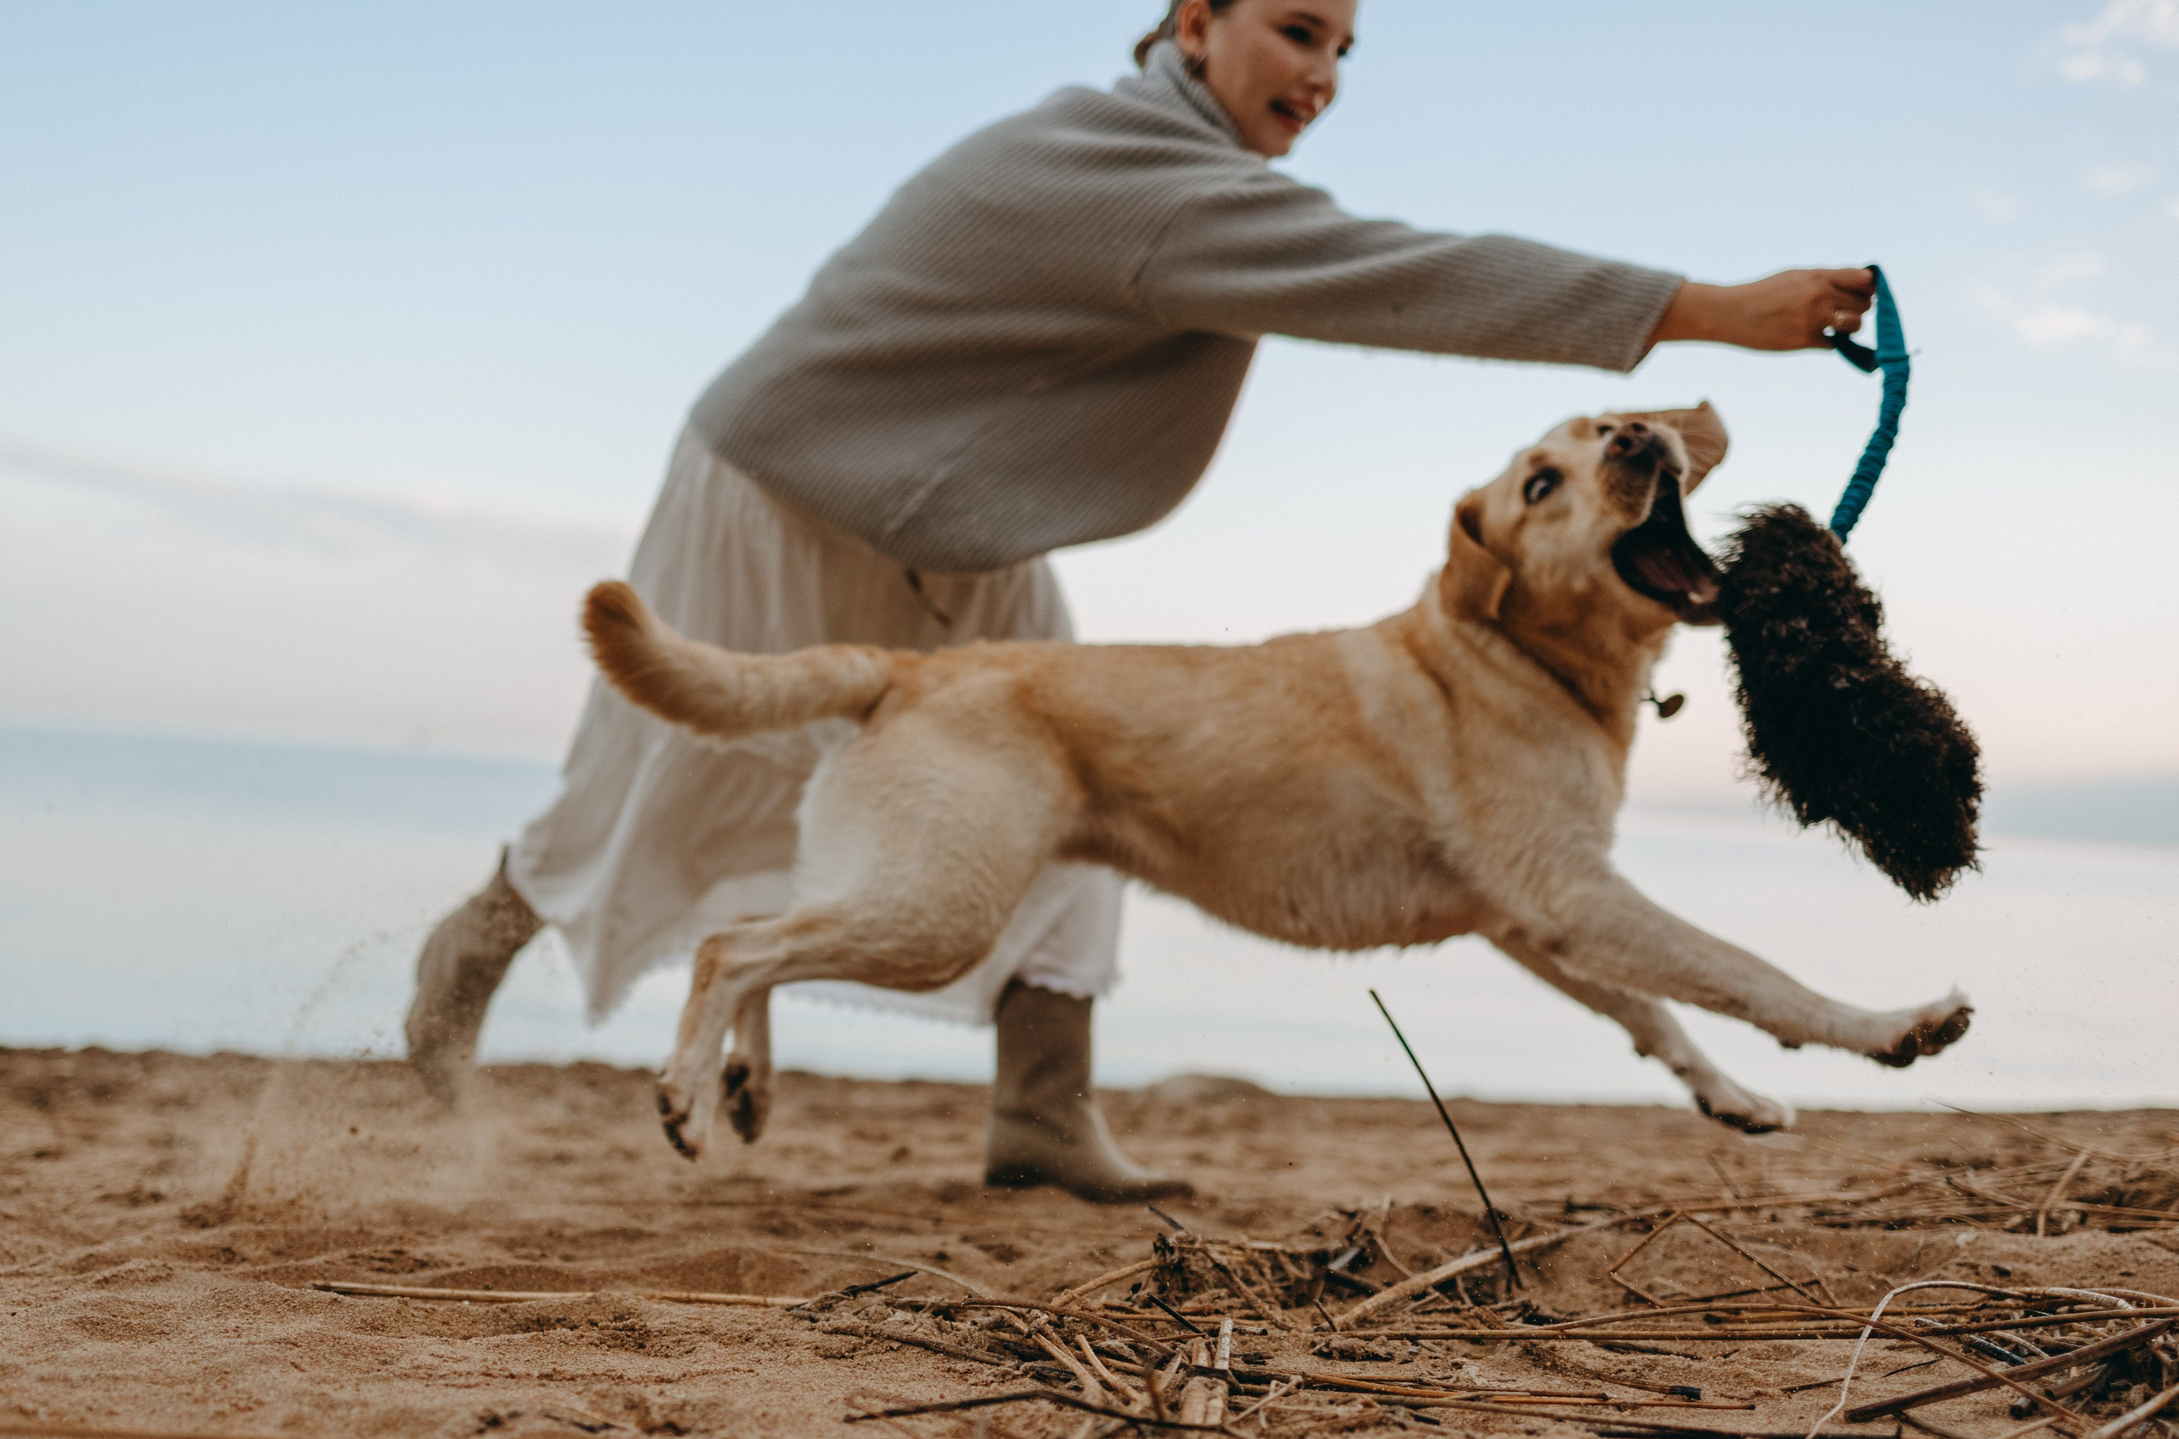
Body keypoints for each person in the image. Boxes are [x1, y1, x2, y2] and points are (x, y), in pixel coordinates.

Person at [405, 0, 1877, 1202]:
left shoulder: (1190, 172)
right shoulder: (1138, 174)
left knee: (1098, 770)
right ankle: (466, 961)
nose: (1322, 74)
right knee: (661, 778)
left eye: (1343, 49)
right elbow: (1408, 277)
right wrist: (1714, 311)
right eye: (1295, 31)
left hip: (964, 522)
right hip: (791, 478)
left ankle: (1043, 1114)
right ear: (1192, 25)